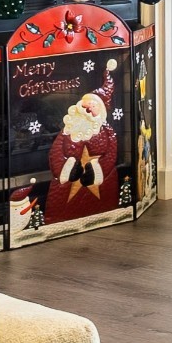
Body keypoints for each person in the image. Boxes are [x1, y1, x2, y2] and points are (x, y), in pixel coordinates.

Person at [45, 58, 120, 224]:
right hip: (67, 184)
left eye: (92, 108)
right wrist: (65, 170)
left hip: (100, 181)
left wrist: (98, 170)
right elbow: (56, 153)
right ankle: (58, 221)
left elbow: (111, 155)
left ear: (99, 113)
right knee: (62, 207)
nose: (86, 110)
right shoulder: (68, 131)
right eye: (85, 106)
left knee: (102, 204)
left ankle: (104, 214)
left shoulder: (106, 132)